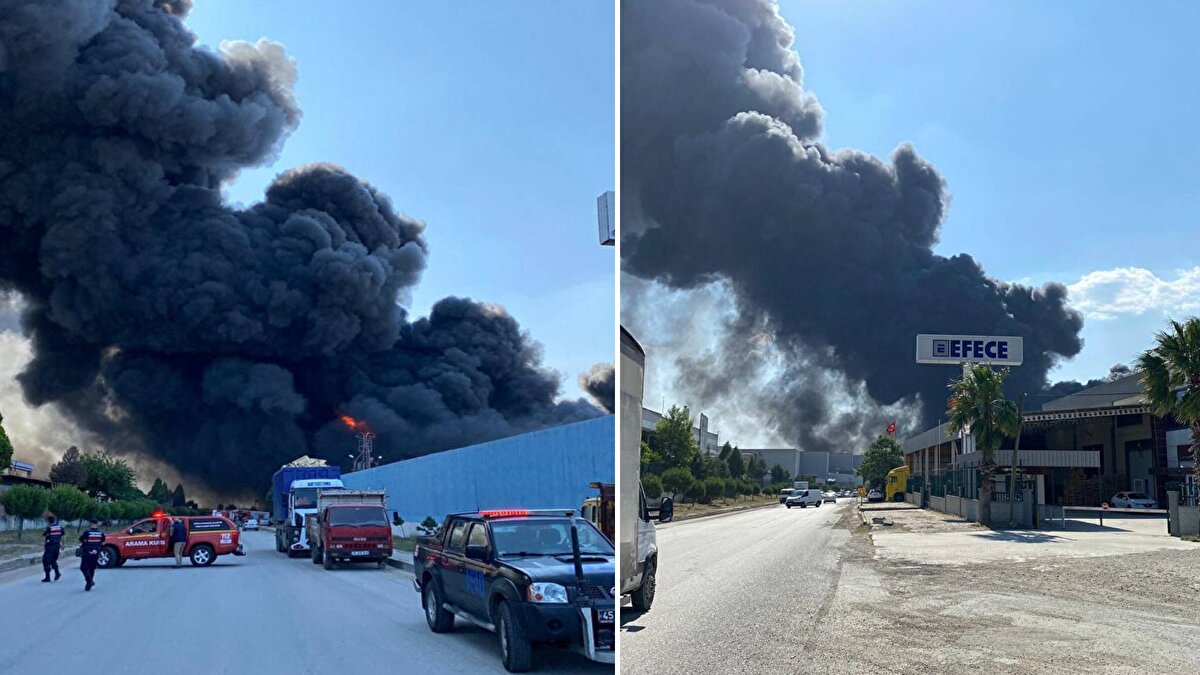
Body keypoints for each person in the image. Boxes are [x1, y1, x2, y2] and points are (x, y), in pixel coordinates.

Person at [78, 520, 105, 591]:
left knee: (83, 567)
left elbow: (81, 539)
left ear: (91, 524)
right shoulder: (101, 533)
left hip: (87, 551)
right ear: (97, 524)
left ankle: (89, 580)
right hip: (96, 552)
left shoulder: (87, 532)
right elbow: (102, 542)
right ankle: (89, 582)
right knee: (92, 568)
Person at [41, 516, 65, 583]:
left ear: (48, 522)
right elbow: (63, 536)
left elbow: (44, 537)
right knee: (53, 560)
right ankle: (57, 573)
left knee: (45, 560)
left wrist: (44, 546)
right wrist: (63, 545)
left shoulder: (49, 528)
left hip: (50, 546)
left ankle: (47, 577)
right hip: (57, 546)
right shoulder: (60, 528)